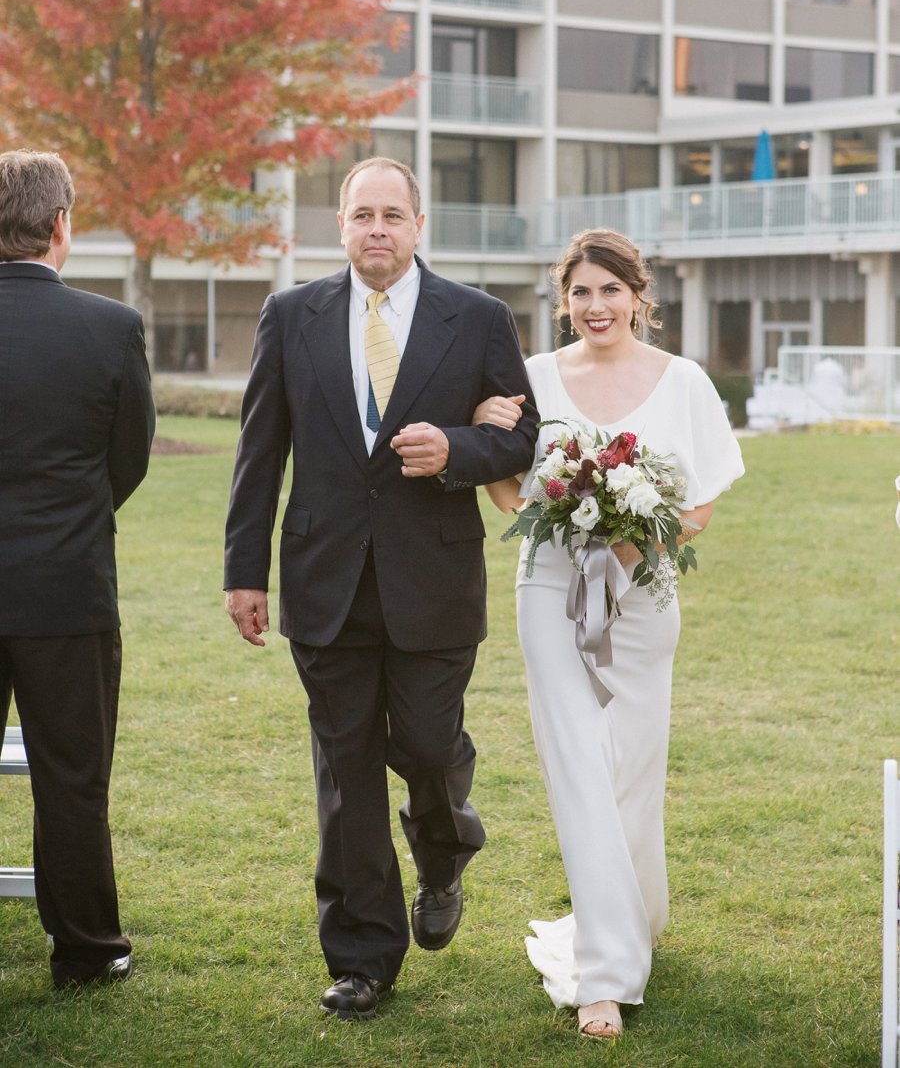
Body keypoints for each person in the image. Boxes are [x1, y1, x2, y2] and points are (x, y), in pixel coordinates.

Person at [223, 157, 538, 1021]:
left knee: (430, 748)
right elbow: (260, 453)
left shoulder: (476, 319)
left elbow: (524, 440)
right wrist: (244, 571)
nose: (377, 229)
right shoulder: (292, 315)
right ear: (340, 225)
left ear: (418, 224)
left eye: (392, 215)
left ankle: (444, 847)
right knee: (346, 769)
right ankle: (363, 956)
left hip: (433, 579)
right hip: (324, 582)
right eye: (362, 214)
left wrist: (459, 453)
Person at [474, 228, 744, 1040]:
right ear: (565, 302)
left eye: (610, 290)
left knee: (632, 762)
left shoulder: (683, 381)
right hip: (550, 589)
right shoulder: (532, 379)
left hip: (645, 587)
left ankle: (637, 914)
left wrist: (637, 536)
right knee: (577, 767)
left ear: (638, 295)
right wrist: (489, 431)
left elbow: (698, 505)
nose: (596, 307)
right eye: (581, 293)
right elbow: (507, 496)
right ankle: (605, 978)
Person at [0, 149, 155, 989]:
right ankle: (87, 951)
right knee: (71, 779)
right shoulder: (110, 327)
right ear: (61, 226)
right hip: (69, 590)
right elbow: (125, 462)